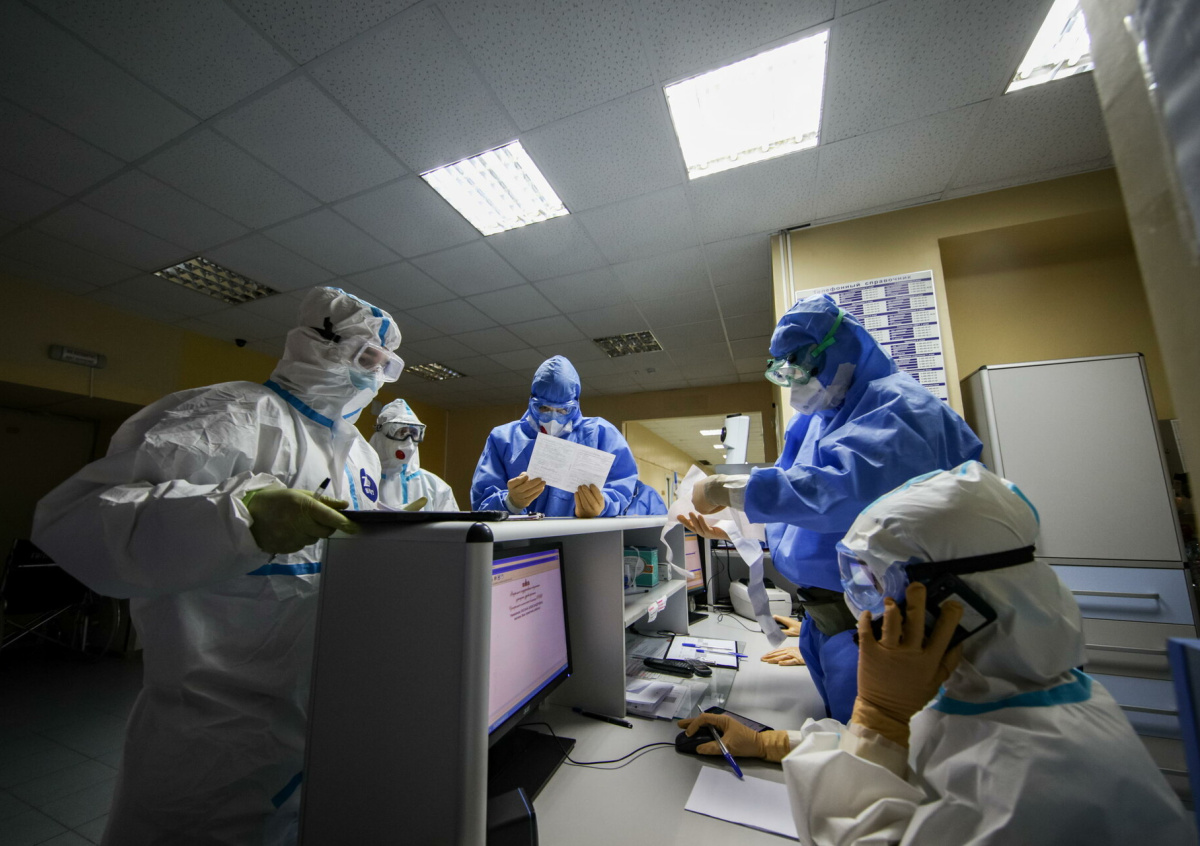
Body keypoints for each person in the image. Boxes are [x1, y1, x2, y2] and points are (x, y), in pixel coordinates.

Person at [32, 286, 402, 846]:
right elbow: (74, 520)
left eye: (385, 365)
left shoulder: (362, 456)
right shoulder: (228, 416)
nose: (373, 375)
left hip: (323, 729)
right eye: (365, 357)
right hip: (214, 747)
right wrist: (240, 516)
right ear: (317, 342)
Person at [679, 462, 1192, 845]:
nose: (864, 608)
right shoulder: (999, 692)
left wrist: (879, 714)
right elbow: (918, 748)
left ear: (954, 601)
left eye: (876, 583)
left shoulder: (1035, 777)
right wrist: (769, 743)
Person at [682, 294, 982, 721]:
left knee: (874, 750)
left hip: (886, 633)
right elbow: (806, 518)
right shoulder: (816, 421)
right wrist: (737, 529)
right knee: (845, 740)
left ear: (841, 348)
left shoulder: (903, 407)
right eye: (787, 373)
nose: (798, 384)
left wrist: (721, 488)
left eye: (803, 366)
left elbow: (843, 494)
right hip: (829, 624)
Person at [470, 355, 638, 517]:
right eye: (543, 408)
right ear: (531, 401)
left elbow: (622, 487)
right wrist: (511, 503)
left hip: (582, 535)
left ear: (576, 404)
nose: (552, 418)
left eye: (563, 410)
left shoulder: (601, 434)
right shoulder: (503, 438)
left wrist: (600, 506)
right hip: (520, 537)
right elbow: (482, 503)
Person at [369, 398, 459, 511]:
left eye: (414, 433)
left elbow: (451, 522)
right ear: (381, 435)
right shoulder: (365, 480)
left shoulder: (436, 487)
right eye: (401, 432)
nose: (409, 441)